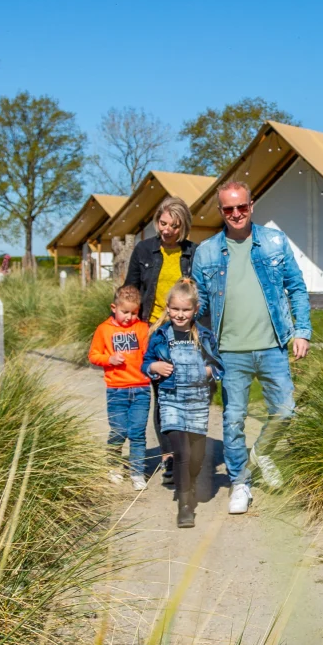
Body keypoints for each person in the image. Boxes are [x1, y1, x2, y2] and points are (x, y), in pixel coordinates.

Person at [191, 179, 309, 515]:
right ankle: (239, 482)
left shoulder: (274, 242)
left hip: (272, 346)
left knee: (285, 411)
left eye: (242, 206)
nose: (236, 213)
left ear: (252, 205)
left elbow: (297, 288)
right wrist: (185, 325)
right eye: (228, 209)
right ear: (220, 211)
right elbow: (199, 307)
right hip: (229, 352)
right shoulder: (207, 252)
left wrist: (302, 331)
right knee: (232, 421)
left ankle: (262, 453)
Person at [123, 196, 197, 486]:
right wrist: (125, 327)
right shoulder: (144, 250)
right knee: (163, 395)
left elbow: (201, 293)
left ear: (184, 227)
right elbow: (131, 288)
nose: (166, 230)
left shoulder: (193, 253)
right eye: (162, 223)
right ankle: (169, 458)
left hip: (186, 333)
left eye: (174, 226)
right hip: (154, 333)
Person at [143, 278, 220, 528]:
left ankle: (191, 480)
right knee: (182, 453)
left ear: (195, 310)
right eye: (175, 309)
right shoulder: (160, 336)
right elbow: (146, 362)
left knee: (197, 455)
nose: (180, 314)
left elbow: (218, 365)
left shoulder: (205, 336)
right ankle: (185, 505)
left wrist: (207, 372)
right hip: (171, 400)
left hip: (197, 402)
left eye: (186, 310)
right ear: (167, 308)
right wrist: (154, 366)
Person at [86, 284, 151, 488]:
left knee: (138, 432)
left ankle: (137, 472)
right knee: (119, 431)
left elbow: (149, 354)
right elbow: (93, 355)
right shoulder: (104, 330)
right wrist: (109, 359)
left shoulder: (142, 328)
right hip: (116, 390)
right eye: (125, 312)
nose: (129, 317)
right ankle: (114, 466)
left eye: (134, 312)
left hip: (141, 388)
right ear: (114, 307)